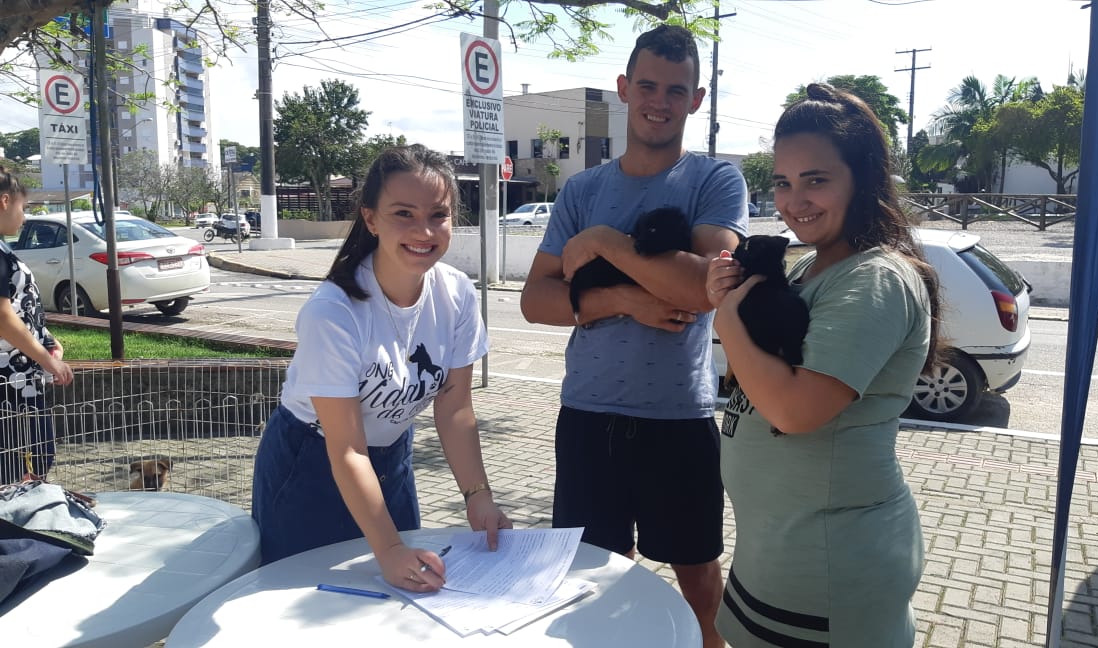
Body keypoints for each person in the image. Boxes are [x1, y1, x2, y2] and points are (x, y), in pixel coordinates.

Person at [520, 25, 748, 648]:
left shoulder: (715, 182)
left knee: (699, 577)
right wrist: (622, 299)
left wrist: (601, 244)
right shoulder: (582, 189)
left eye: (676, 90)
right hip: (589, 414)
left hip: (679, 416)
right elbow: (535, 300)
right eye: (647, 85)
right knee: (591, 577)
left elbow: (708, 286)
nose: (660, 100)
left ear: (696, 99)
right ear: (624, 89)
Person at [705, 83, 943, 646]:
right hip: (773, 556)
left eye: (817, 180)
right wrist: (732, 297)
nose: (795, 201)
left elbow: (794, 410)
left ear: (861, 179)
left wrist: (729, 322)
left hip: (830, 573)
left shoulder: (876, 277)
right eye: (783, 182)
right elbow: (753, 379)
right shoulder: (808, 267)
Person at [251, 145, 511, 591]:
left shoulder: (457, 294)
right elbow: (347, 449)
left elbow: (454, 408)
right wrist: (388, 550)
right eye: (403, 214)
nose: (424, 230)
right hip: (310, 465)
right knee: (306, 602)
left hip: (391, 459)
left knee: (405, 597)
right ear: (370, 219)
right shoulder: (334, 312)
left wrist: (478, 497)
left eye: (439, 215)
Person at [0, 167, 74, 484]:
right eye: (23, 208)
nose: (25, 218)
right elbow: (2, 316)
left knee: (28, 461)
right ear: (4, 201)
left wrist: (46, 340)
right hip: (9, 380)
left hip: (18, 376)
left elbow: (18, 308)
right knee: (22, 465)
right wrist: (48, 360)